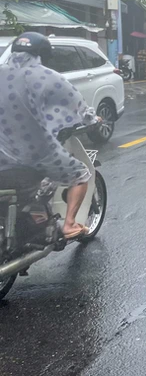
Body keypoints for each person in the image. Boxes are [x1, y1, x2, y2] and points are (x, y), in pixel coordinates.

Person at [0, 32, 98, 239]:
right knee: (80, 175)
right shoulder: (46, 76)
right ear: (42, 54)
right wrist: (93, 120)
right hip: (32, 152)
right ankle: (69, 225)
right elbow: (78, 106)